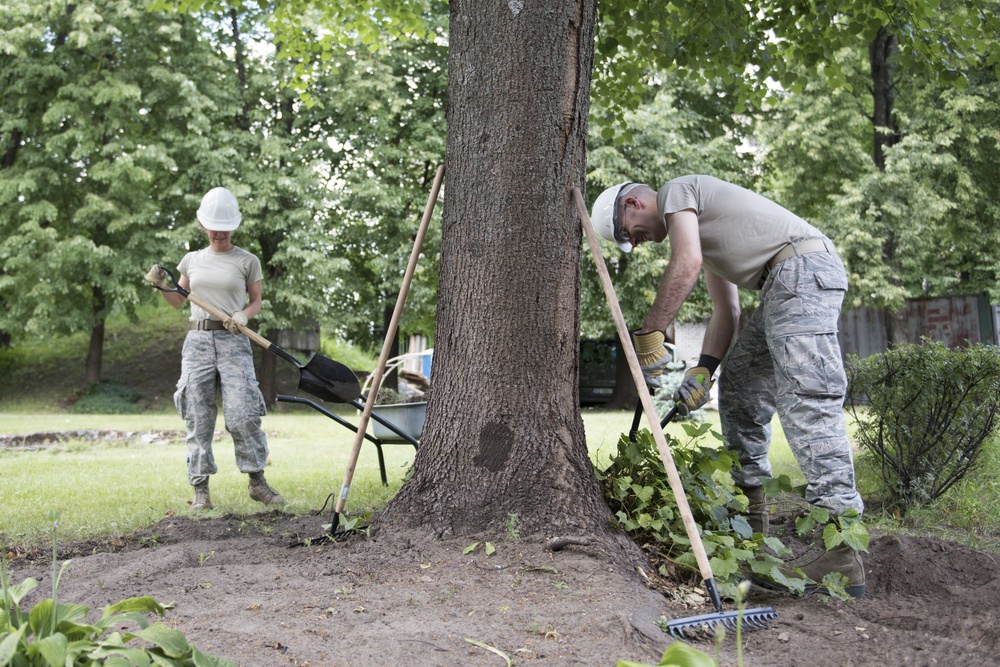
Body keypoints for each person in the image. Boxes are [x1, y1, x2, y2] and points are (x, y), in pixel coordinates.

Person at [590, 175, 866, 598]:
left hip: (801, 272)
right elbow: (727, 310)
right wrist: (703, 370)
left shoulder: (677, 192)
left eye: (631, 234)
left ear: (633, 203)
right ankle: (752, 526)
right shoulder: (704, 235)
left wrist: (651, 333)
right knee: (739, 392)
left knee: (807, 402)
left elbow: (685, 265)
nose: (639, 242)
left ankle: (842, 550)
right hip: (782, 284)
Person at [146, 187, 285, 513]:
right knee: (198, 416)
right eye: (214, 226)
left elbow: (256, 303)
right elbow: (179, 300)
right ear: (203, 226)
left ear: (233, 226)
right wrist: (163, 287)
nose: (219, 232)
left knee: (242, 413)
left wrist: (242, 315)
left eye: (225, 226)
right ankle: (200, 490)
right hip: (198, 342)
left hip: (234, 339)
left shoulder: (247, 260)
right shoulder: (191, 260)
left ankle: (257, 481)